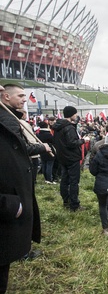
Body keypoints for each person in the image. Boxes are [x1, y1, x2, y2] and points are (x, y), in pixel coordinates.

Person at [0, 84, 42, 293]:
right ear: (5, 96)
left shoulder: (11, 119)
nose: (25, 99)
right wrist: (9, 204)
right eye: (21, 95)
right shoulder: (7, 122)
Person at [53, 106, 90, 212]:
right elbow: (71, 143)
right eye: (75, 114)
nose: (76, 115)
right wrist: (83, 140)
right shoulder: (68, 127)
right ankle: (74, 205)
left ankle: (66, 201)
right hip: (72, 157)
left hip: (62, 157)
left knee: (64, 180)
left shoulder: (58, 127)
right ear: (71, 114)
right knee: (74, 181)